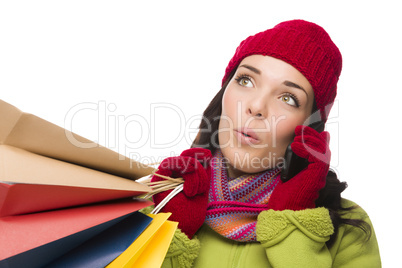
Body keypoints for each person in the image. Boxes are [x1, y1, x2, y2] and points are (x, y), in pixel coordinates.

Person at [148, 19, 381, 267]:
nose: (257, 106)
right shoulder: (157, 198)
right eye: (246, 80)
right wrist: (169, 234)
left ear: (309, 128)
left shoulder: (349, 229)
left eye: (288, 98)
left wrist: (292, 224)